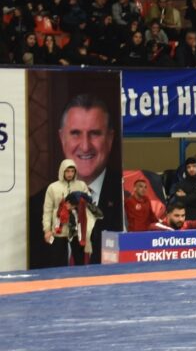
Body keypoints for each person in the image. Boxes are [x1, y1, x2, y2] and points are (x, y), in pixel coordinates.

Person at [55, 94, 121, 260]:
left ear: (110, 139)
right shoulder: (35, 207)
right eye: (75, 133)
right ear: (62, 138)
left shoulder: (124, 195)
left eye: (95, 133)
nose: (85, 146)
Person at [42, 159, 93, 267]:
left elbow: (89, 203)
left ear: (75, 172)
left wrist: (76, 205)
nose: (70, 174)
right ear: (62, 171)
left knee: (79, 261)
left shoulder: (81, 185)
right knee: (58, 263)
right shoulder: (53, 187)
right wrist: (47, 230)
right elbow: (47, 210)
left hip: (77, 231)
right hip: (58, 230)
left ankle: (80, 278)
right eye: (67, 171)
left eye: (72, 171)